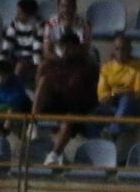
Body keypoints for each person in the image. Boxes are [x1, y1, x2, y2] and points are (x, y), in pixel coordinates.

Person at [37, 37, 101, 165]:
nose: (66, 50)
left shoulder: (87, 67)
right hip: (58, 104)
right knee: (43, 83)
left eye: (69, 47)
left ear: (76, 48)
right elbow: (48, 83)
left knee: (67, 121)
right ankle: (32, 122)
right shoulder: (56, 65)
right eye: (63, 47)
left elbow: (91, 94)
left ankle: (54, 155)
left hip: (79, 108)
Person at [86, 33, 140, 138]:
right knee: (92, 115)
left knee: (126, 100)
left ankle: (113, 132)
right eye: (117, 49)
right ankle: (97, 142)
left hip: (134, 107)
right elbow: (103, 97)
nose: (120, 52)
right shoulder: (106, 68)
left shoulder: (139, 66)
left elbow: (136, 94)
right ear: (113, 51)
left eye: (123, 49)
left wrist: (115, 94)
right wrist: (115, 94)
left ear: (129, 50)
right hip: (113, 106)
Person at [0, 0, 43, 86]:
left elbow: (37, 50)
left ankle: (14, 87)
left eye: (20, 13)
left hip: (30, 60)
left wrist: (36, 66)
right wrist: (2, 61)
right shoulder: (14, 24)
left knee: (20, 66)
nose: (17, 15)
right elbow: (7, 44)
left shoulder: (39, 26)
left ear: (29, 14)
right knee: (1, 67)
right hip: (15, 57)